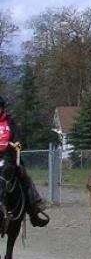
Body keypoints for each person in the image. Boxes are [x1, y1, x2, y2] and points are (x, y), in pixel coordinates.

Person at [0, 94, 50, 227]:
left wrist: (18, 143)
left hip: (9, 158)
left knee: (24, 177)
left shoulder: (10, 122)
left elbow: (20, 137)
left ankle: (34, 209)